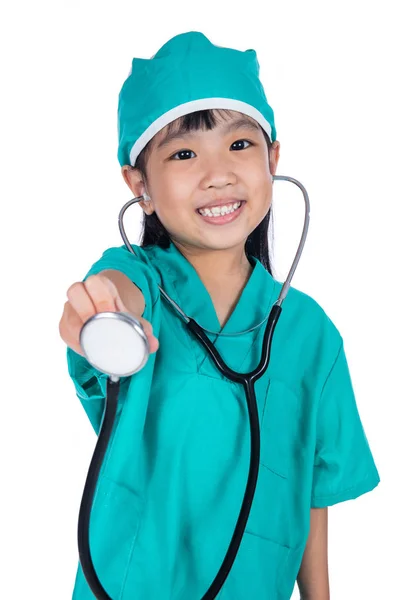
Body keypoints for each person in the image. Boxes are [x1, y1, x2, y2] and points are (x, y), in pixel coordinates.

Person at [59, 31, 380, 600]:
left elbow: (311, 490)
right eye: (183, 154)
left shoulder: (311, 335)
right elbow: (111, 295)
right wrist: (97, 311)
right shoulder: (143, 283)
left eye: (239, 145)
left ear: (273, 159)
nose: (218, 174)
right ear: (141, 186)